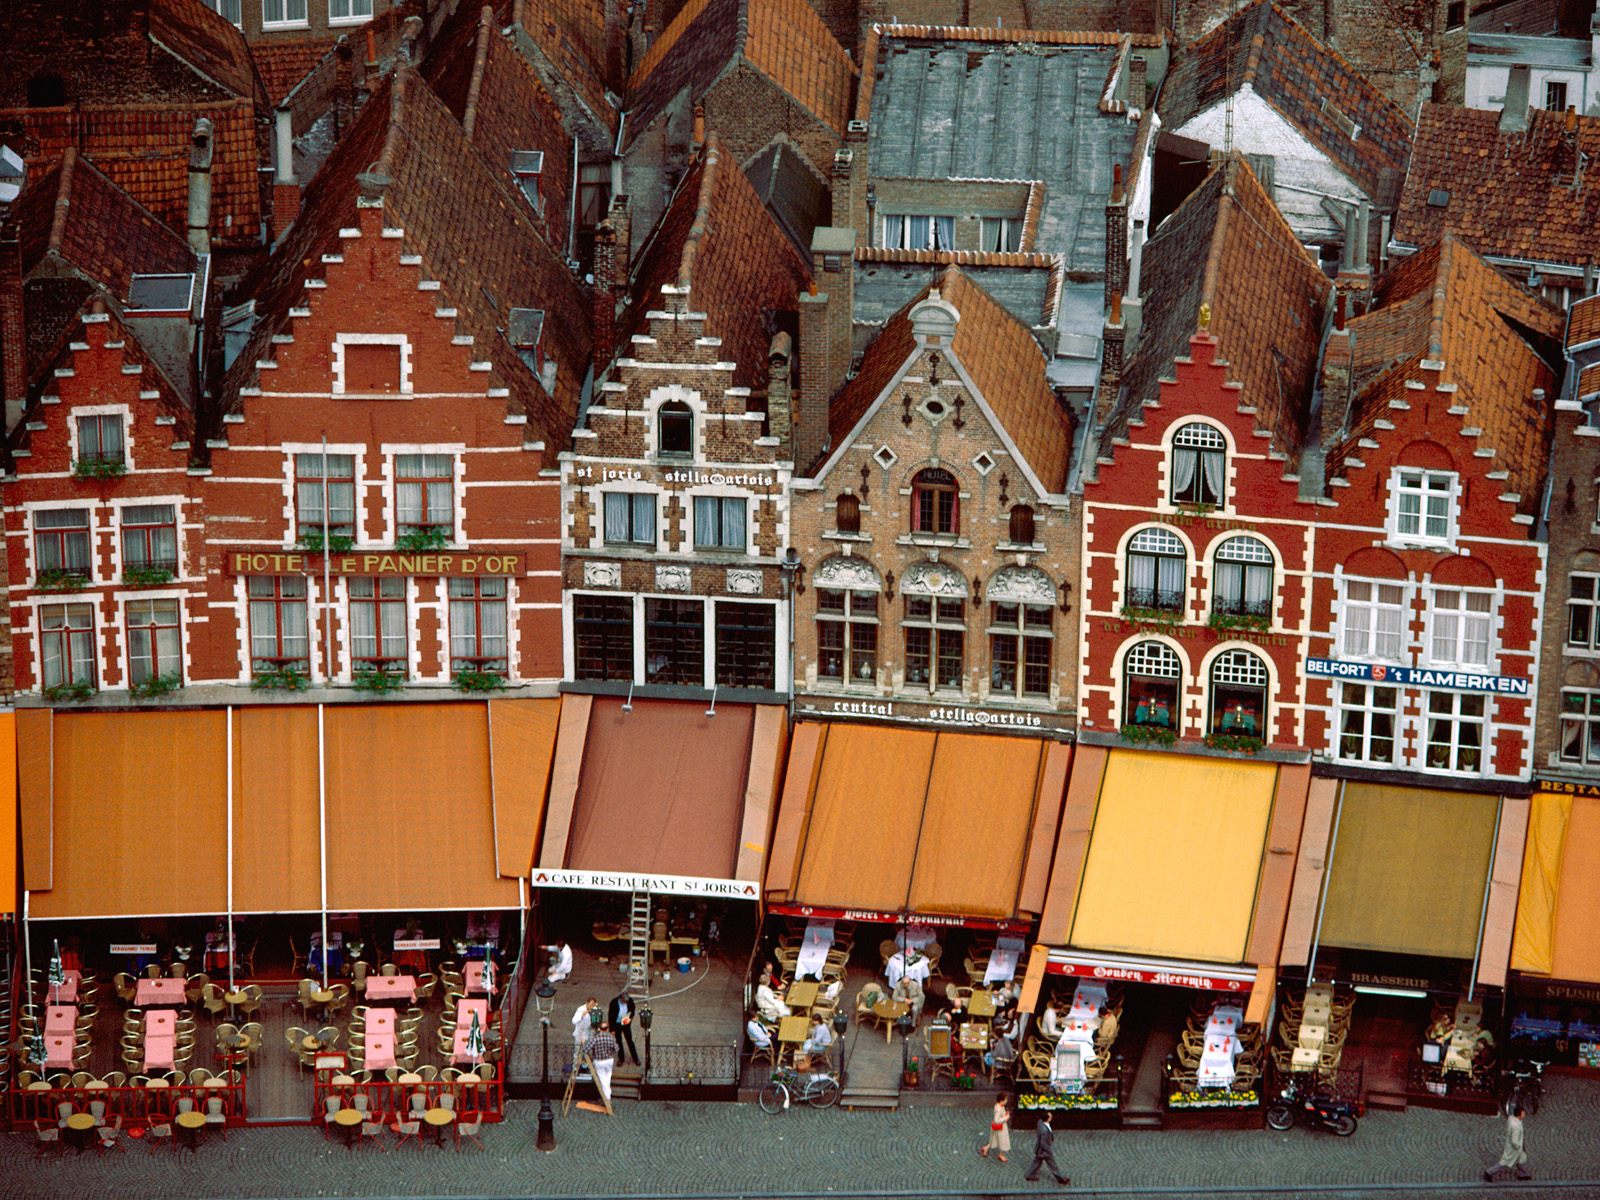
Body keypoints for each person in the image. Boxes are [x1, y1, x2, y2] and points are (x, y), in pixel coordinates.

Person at [1024, 1111, 1070, 1185]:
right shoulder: (1044, 1131)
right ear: (1047, 1119)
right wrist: (1049, 1151)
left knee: (1036, 1162)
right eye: (1050, 1117)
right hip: (1044, 1151)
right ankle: (1061, 1178)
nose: (1052, 1118)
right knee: (1053, 1165)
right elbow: (1043, 1143)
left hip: (1039, 1150)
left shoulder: (1040, 1123)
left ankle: (1029, 1174)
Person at [1487, 1105, 1531, 1182]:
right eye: (1523, 1113)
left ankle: (1523, 1173)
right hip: (1514, 1148)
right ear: (1519, 1114)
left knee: (1520, 1159)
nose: (1524, 1114)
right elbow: (1514, 1141)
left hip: (1516, 1147)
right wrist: (1519, 1146)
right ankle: (1489, 1172)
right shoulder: (1516, 1126)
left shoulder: (1511, 1119)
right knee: (1504, 1163)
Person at [586, 1021, 618, 1106]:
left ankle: (607, 1098)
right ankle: (607, 1097)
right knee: (607, 1078)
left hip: (599, 1061)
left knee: (603, 1080)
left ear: (599, 1029)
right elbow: (617, 1049)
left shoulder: (595, 1038)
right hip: (609, 1060)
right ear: (607, 1029)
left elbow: (586, 1049)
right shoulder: (611, 1038)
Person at [607, 989, 640, 1066]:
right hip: (617, 1024)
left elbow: (632, 1011)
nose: (626, 1003)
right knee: (619, 1042)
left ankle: (635, 1058)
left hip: (625, 1023)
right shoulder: (614, 1003)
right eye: (624, 1001)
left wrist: (628, 1020)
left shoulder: (630, 1001)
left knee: (629, 1041)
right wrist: (612, 1029)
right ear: (621, 999)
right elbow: (611, 1016)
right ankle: (621, 1058)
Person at [979, 1092, 1010, 1163]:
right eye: (1005, 1100)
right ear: (1001, 1101)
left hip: (997, 1127)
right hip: (1001, 1127)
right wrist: (1006, 1118)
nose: (1006, 1101)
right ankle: (1001, 1155)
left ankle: (985, 1148)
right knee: (1003, 1141)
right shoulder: (998, 1109)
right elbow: (997, 1120)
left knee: (994, 1138)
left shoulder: (999, 1106)